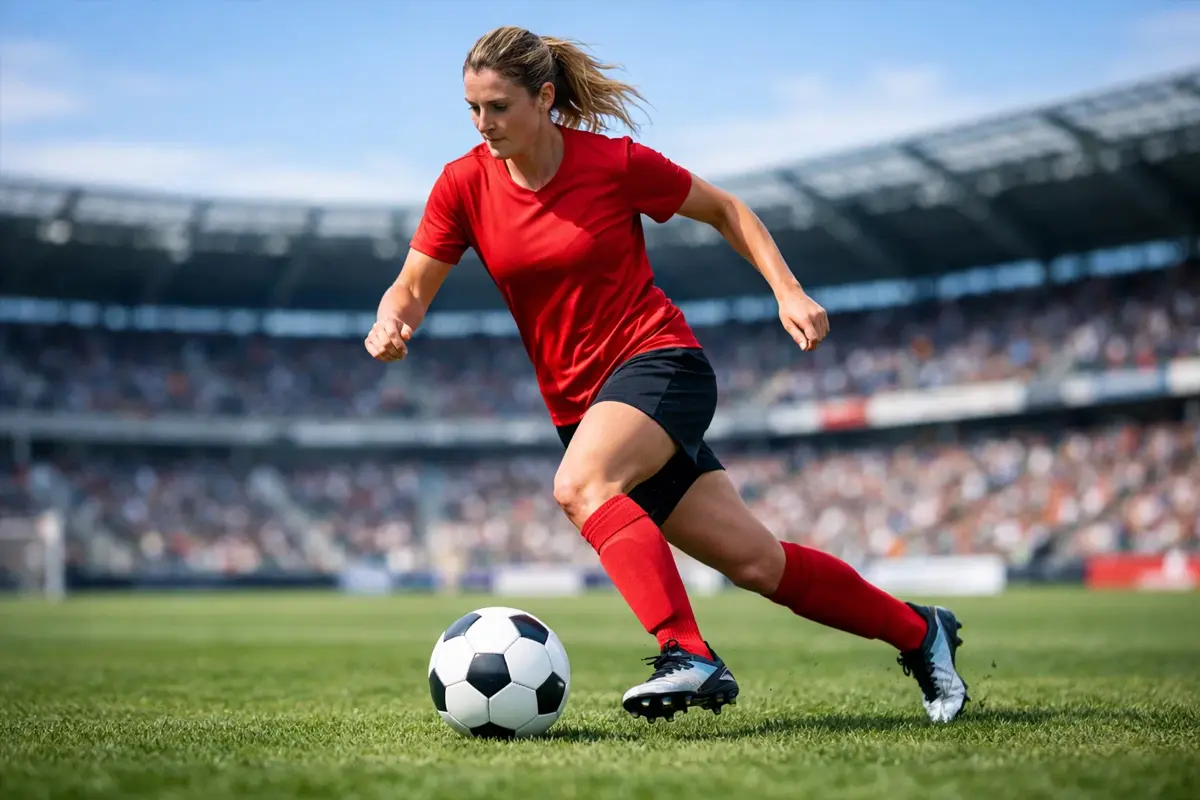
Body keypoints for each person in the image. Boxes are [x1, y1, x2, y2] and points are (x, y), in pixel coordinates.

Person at [365, 25, 969, 725]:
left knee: (582, 485)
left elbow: (725, 209)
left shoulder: (613, 164)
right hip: (583, 408)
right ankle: (921, 632)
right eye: (472, 108)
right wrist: (391, 323)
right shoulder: (463, 184)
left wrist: (788, 290)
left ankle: (687, 651)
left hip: (659, 363)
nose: (482, 124)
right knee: (757, 564)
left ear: (544, 98)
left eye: (498, 107)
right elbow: (410, 287)